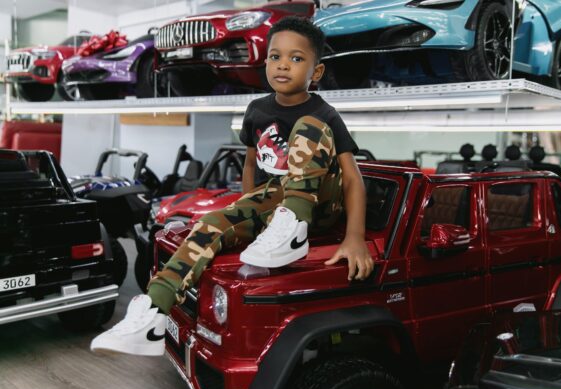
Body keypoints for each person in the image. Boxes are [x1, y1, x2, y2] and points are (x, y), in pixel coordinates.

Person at [91, 16, 374, 356]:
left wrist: (354, 238)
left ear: (316, 72)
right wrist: (245, 215)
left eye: (296, 58)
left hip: (321, 202)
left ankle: (294, 228)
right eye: (275, 56)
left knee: (308, 126)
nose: (283, 65)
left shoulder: (323, 113)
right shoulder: (257, 110)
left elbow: (353, 178)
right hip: (276, 201)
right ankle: (152, 314)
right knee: (210, 223)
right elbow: (252, 164)